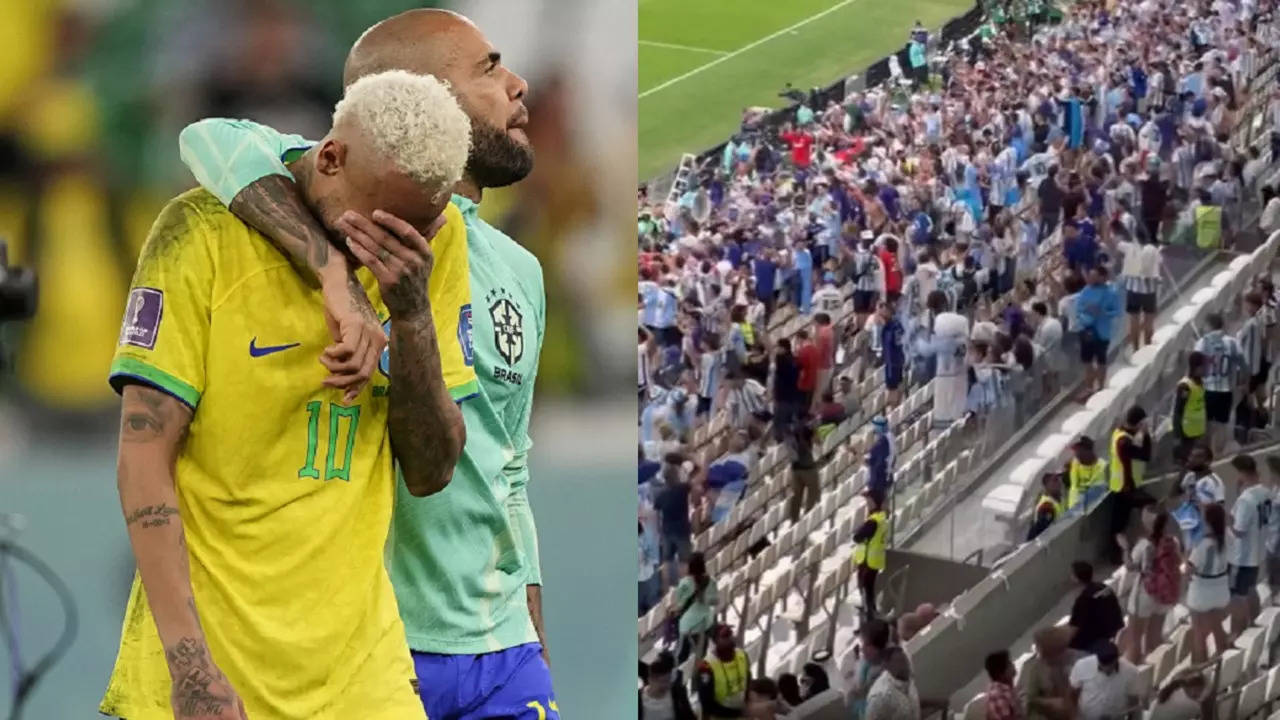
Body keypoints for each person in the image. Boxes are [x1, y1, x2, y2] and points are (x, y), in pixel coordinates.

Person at [176, 10, 559, 717]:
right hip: (368, 648)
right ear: (420, 96)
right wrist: (331, 274)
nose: (517, 83)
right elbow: (210, 138)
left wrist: (531, 630)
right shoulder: (325, 195)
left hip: (497, 647)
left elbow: (509, 466)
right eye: (488, 69)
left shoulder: (519, 271)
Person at [101, 71, 474, 719]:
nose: (385, 248)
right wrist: (190, 667)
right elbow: (142, 457)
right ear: (329, 158)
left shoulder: (427, 251)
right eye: (374, 224)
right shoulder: (201, 235)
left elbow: (431, 470)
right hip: (210, 681)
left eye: (415, 228)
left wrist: (410, 317)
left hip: (363, 683)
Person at [1118, 508, 1181, 664]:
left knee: (1135, 642)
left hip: (1144, 593)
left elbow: (1130, 566)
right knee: (1155, 640)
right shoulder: (1173, 542)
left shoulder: (1144, 545)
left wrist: (1125, 548)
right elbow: (1178, 561)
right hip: (1164, 594)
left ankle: (1134, 677)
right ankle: (1153, 673)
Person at [1229, 454, 1270, 637]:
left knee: (1237, 596)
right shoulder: (1265, 492)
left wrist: (1225, 521)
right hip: (1259, 550)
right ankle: (1254, 623)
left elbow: (1239, 530)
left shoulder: (1246, 500)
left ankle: (1237, 632)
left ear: (1242, 472)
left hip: (1243, 557)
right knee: (1251, 588)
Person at [1194, 312, 1245, 454]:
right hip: (1226, 390)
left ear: (1210, 326)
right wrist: (1242, 384)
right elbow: (1243, 366)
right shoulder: (1233, 343)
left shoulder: (1202, 343)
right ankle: (1217, 454)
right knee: (1221, 425)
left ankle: (1206, 453)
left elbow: (1194, 366)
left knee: (1207, 424)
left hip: (1207, 390)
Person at [1187, 502, 1231, 663]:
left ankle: (1201, 671)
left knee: (1199, 634)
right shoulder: (1228, 536)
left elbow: (1189, 569)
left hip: (1202, 594)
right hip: (1221, 590)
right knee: (1218, 628)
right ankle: (1223, 666)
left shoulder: (1202, 544)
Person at [1109, 406, 1153, 560]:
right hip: (1125, 487)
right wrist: (1146, 436)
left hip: (1121, 486)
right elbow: (1145, 455)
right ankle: (1120, 555)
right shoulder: (1124, 442)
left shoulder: (1119, 433)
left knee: (1119, 524)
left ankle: (1118, 555)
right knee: (1120, 525)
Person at [1074, 264, 1121, 399]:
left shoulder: (1111, 292)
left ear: (1103, 277)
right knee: (1087, 361)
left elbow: (1116, 311)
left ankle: (1101, 387)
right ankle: (1089, 388)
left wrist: (1102, 312)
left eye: (1095, 276)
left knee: (1101, 360)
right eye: (1090, 276)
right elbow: (1078, 310)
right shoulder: (1086, 291)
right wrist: (1086, 317)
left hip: (1102, 332)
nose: (1091, 279)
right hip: (1087, 330)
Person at [1067, 641, 1139, 720]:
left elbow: (1133, 700)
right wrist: (1073, 716)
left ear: (1117, 659)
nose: (1106, 669)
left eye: (1110, 666)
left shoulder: (1131, 671)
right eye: (1102, 667)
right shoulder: (1082, 665)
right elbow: (1072, 692)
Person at [1067, 561, 1125, 654]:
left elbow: (1074, 628)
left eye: (1071, 574)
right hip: (1115, 631)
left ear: (1076, 578)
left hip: (1097, 641)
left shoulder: (1083, 600)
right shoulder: (1104, 587)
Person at [695, 625, 751, 719]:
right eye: (725, 636)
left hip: (742, 713)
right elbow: (707, 703)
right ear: (715, 641)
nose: (730, 638)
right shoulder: (706, 666)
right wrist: (737, 713)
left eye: (731, 634)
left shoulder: (742, 655)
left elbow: (748, 680)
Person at [675, 552, 719, 663]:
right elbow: (716, 601)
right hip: (705, 623)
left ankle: (681, 669)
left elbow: (679, 603)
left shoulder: (684, 583)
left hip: (688, 626)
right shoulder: (712, 581)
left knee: (682, 654)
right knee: (701, 651)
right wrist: (705, 600)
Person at [853, 493, 889, 620]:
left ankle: (868, 621)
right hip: (874, 560)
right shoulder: (882, 518)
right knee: (869, 593)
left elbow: (857, 537)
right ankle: (870, 617)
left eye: (869, 501)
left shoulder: (873, 521)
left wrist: (859, 530)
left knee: (866, 593)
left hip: (867, 561)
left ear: (875, 503)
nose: (867, 504)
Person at [848, 618, 892, 720]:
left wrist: (854, 693)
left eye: (867, 645)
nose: (862, 649)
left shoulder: (884, 673)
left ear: (880, 647)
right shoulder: (867, 661)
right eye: (862, 643)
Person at [1172, 351, 1209, 465]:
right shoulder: (1185, 386)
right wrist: (1177, 437)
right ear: (1197, 367)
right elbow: (1178, 412)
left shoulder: (1201, 383)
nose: (1206, 369)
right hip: (1186, 434)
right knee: (1188, 465)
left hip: (1198, 431)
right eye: (1204, 366)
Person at [865, 646, 920, 720]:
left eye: (905, 660)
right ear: (887, 666)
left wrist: (936, 703)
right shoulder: (879, 696)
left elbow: (910, 704)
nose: (905, 666)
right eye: (899, 662)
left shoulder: (907, 678)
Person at [638, 651, 697, 720]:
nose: (667, 685)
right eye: (662, 681)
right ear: (650, 680)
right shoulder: (638, 700)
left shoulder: (678, 693)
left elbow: (690, 716)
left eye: (668, 680)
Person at [788, 418, 820, 523]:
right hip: (808, 468)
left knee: (796, 497)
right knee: (813, 494)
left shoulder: (791, 429)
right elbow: (818, 442)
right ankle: (807, 518)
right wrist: (815, 430)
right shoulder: (808, 428)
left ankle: (794, 521)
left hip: (795, 468)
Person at [1065, 436, 1107, 512]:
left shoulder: (1102, 468)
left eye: (1077, 450)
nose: (1075, 454)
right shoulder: (1075, 463)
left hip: (1091, 512)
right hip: (1074, 511)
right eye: (1074, 450)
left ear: (1086, 449)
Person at [880, 297, 907, 407]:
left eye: (884, 308)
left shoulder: (896, 327)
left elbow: (898, 344)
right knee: (892, 387)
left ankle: (893, 410)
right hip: (889, 361)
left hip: (894, 362)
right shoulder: (885, 327)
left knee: (893, 388)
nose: (881, 311)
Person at [984, 649, 1025, 720]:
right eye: (1009, 663)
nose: (1013, 664)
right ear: (1001, 674)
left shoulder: (1006, 690)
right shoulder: (997, 694)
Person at [865, 415, 895, 506]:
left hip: (878, 480)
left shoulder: (883, 442)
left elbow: (876, 462)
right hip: (886, 475)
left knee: (877, 506)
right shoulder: (890, 436)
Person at [1026, 472, 1065, 542]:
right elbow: (1040, 529)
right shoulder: (1047, 506)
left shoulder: (1058, 499)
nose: (1059, 483)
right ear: (1047, 486)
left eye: (1059, 480)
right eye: (1055, 480)